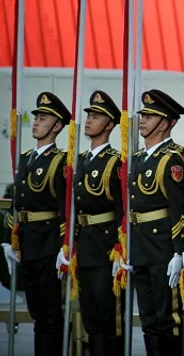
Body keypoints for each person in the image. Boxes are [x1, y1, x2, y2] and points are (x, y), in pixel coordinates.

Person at [2, 92, 70, 354]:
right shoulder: (26, 157)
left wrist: (65, 246)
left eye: (43, 118)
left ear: (57, 126)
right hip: (28, 241)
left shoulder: (60, 161)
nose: (37, 122)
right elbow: (16, 202)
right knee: (36, 311)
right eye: (37, 117)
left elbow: (65, 209)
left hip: (48, 241)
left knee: (50, 314)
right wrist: (11, 240)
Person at [128, 89, 184, 354]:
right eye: (143, 114)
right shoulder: (139, 159)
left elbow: (179, 210)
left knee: (168, 319)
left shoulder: (173, 159)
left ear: (165, 123)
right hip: (140, 245)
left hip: (163, 248)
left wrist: (178, 251)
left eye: (150, 116)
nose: (142, 120)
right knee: (149, 319)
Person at [71, 91, 125, 356]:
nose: (90, 121)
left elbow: (121, 209)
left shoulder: (115, 161)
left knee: (108, 317)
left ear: (110, 125)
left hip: (106, 247)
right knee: (90, 315)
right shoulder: (80, 160)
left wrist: (121, 247)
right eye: (89, 116)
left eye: (96, 117)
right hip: (85, 244)